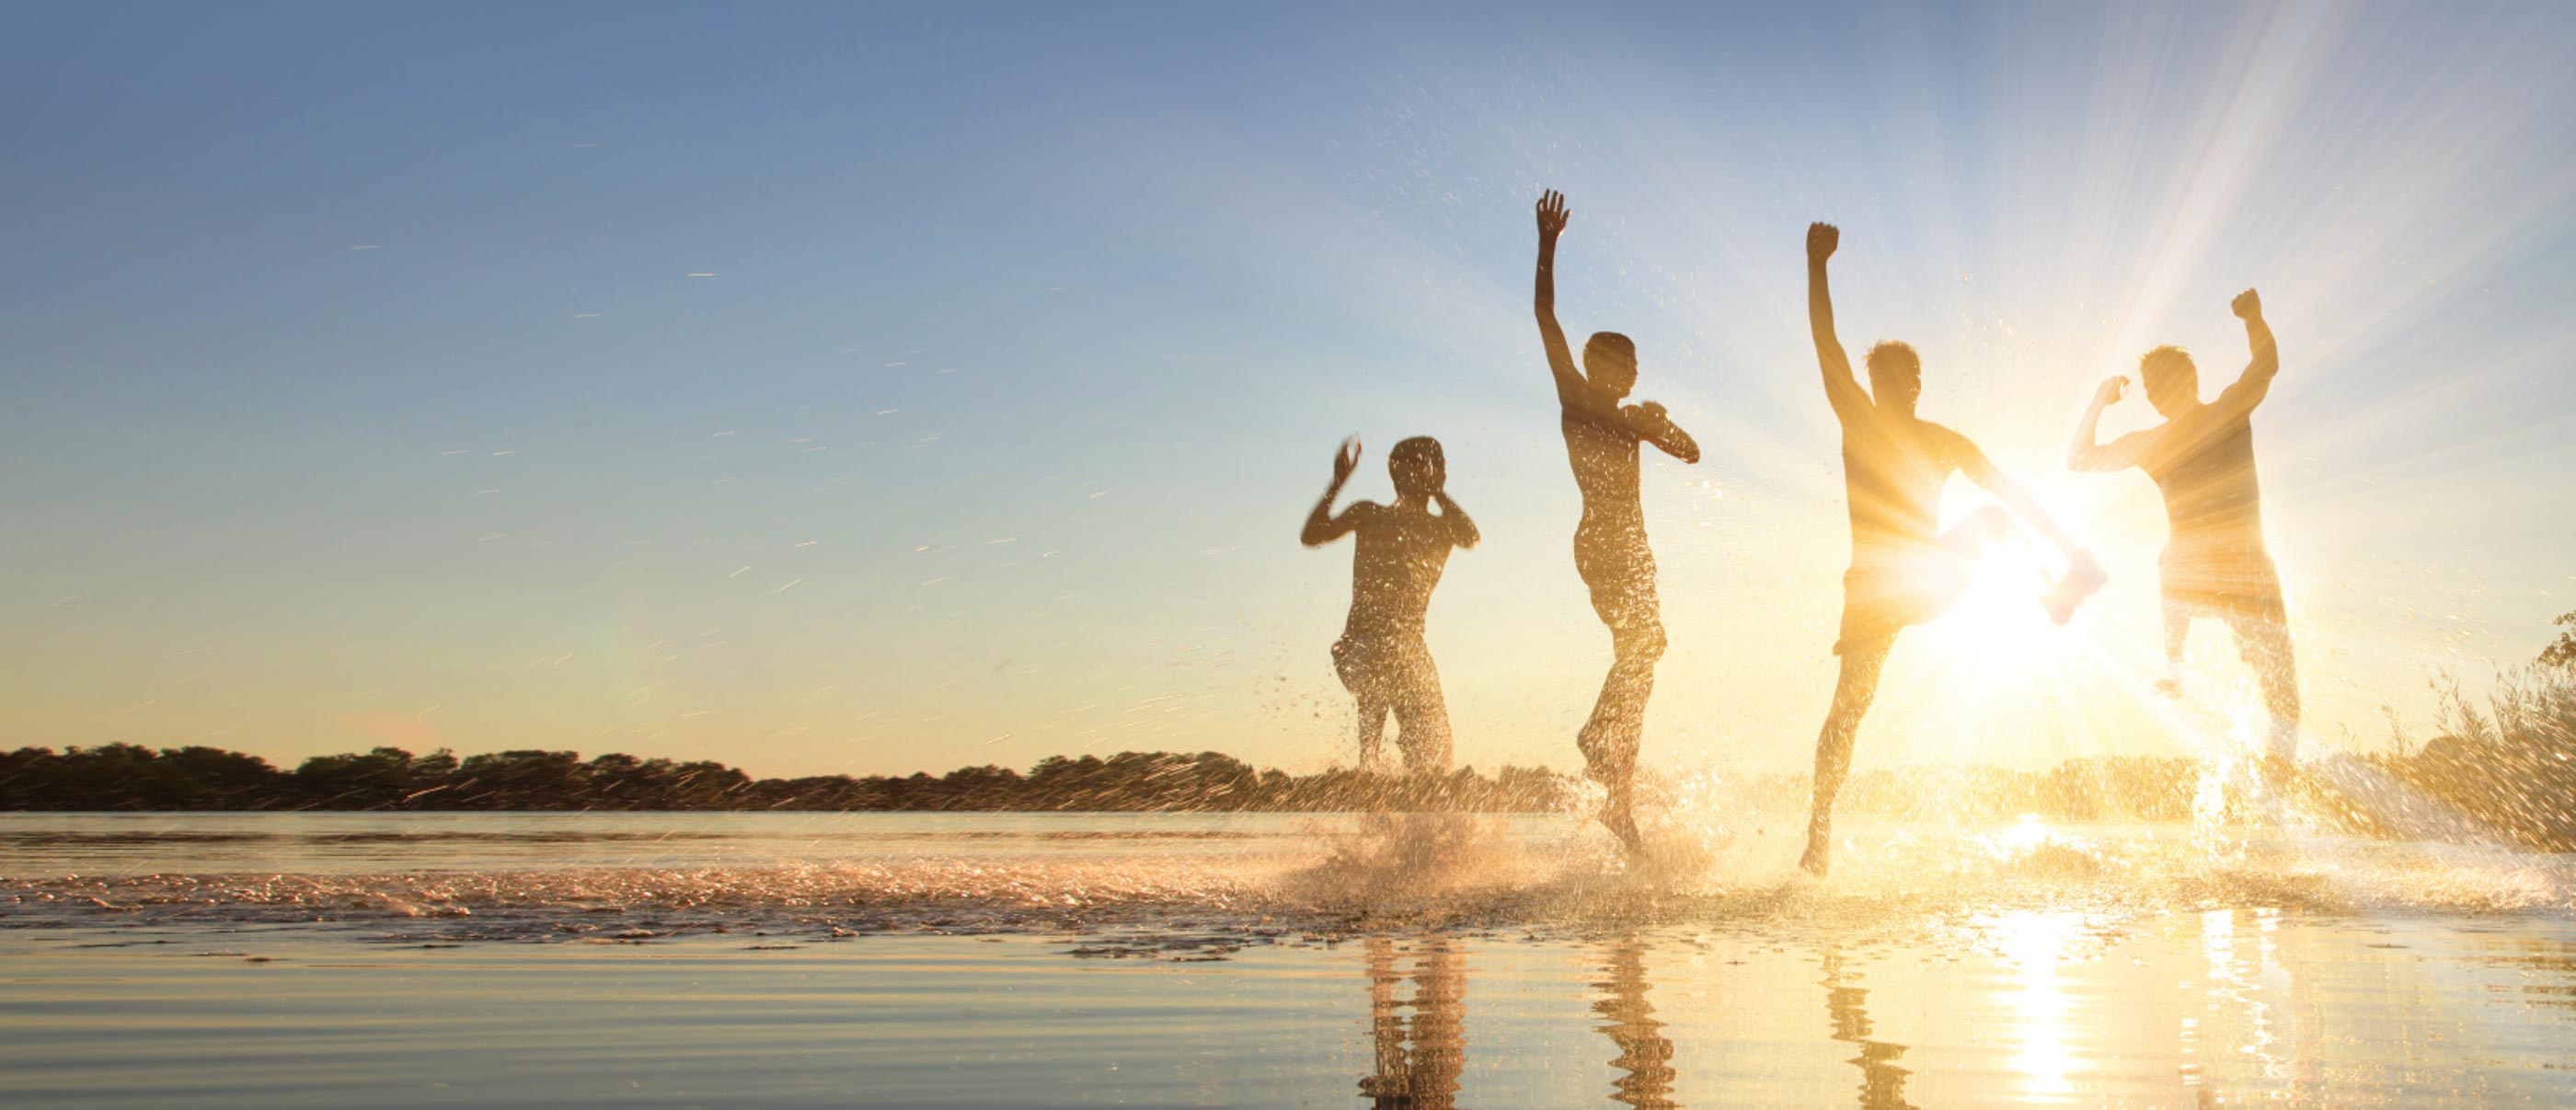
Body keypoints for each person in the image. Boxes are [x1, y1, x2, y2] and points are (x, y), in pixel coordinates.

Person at [1799, 221, 2104, 877]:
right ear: (1875, 385)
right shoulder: (1858, 417)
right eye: (1883, 379)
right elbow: (1826, 345)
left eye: (1903, 380)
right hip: (1875, 591)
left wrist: (2070, 549)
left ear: (1917, 385)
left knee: (1994, 518)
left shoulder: (1943, 440)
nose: (1893, 389)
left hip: (1924, 578)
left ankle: (2054, 593)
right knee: (1848, 710)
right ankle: (1818, 834)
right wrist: (1815, 264)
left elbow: (2015, 497)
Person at [2068, 288, 2297, 790]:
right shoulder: (2212, 416)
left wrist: (2098, 402)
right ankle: (2177, 667)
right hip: (2239, 571)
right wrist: (2254, 319)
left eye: (2158, 384)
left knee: (2282, 698)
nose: (2153, 393)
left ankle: (2176, 665)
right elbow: (2266, 364)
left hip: (2222, 573)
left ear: (2186, 381)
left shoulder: (2181, 431)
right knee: (2281, 697)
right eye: (2151, 386)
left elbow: (2078, 459)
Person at [1532, 189, 1701, 850]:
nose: (1620, 373)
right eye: (1611, 361)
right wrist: (1548, 246)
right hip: (1601, 541)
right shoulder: (1575, 397)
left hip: (1633, 547)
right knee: (1640, 653)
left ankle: (1618, 798)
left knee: (1644, 655)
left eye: (1628, 366)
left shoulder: (1634, 420)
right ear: (1594, 365)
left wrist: (1663, 425)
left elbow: (1692, 454)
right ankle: (1597, 742)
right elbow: (1545, 315)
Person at [1304, 434, 1479, 774]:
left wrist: (1439, 491)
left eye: (1434, 468)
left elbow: (1470, 537)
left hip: (1411, 653)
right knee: (1390, 648)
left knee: (1437, 750)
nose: (1424, 474)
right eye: (1416, 468)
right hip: (1359, 647)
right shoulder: (1369, 514)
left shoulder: (1442, 529)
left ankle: (1420, 797)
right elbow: (1312, 536)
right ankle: (1367, 761)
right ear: (1396, 474)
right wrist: (1337, 483)